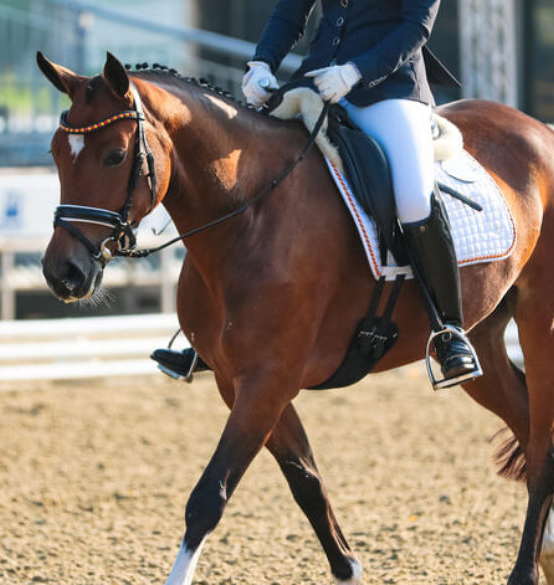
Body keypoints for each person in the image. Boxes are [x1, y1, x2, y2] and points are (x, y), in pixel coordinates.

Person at [154, 0, 480, 388]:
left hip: (388, 87)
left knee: (413, 198)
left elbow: (415, 29)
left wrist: (357, 71)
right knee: (242, 175)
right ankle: (209, 331)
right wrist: (261, 63)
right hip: (317, 82)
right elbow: (290, 13)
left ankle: (449, 330)